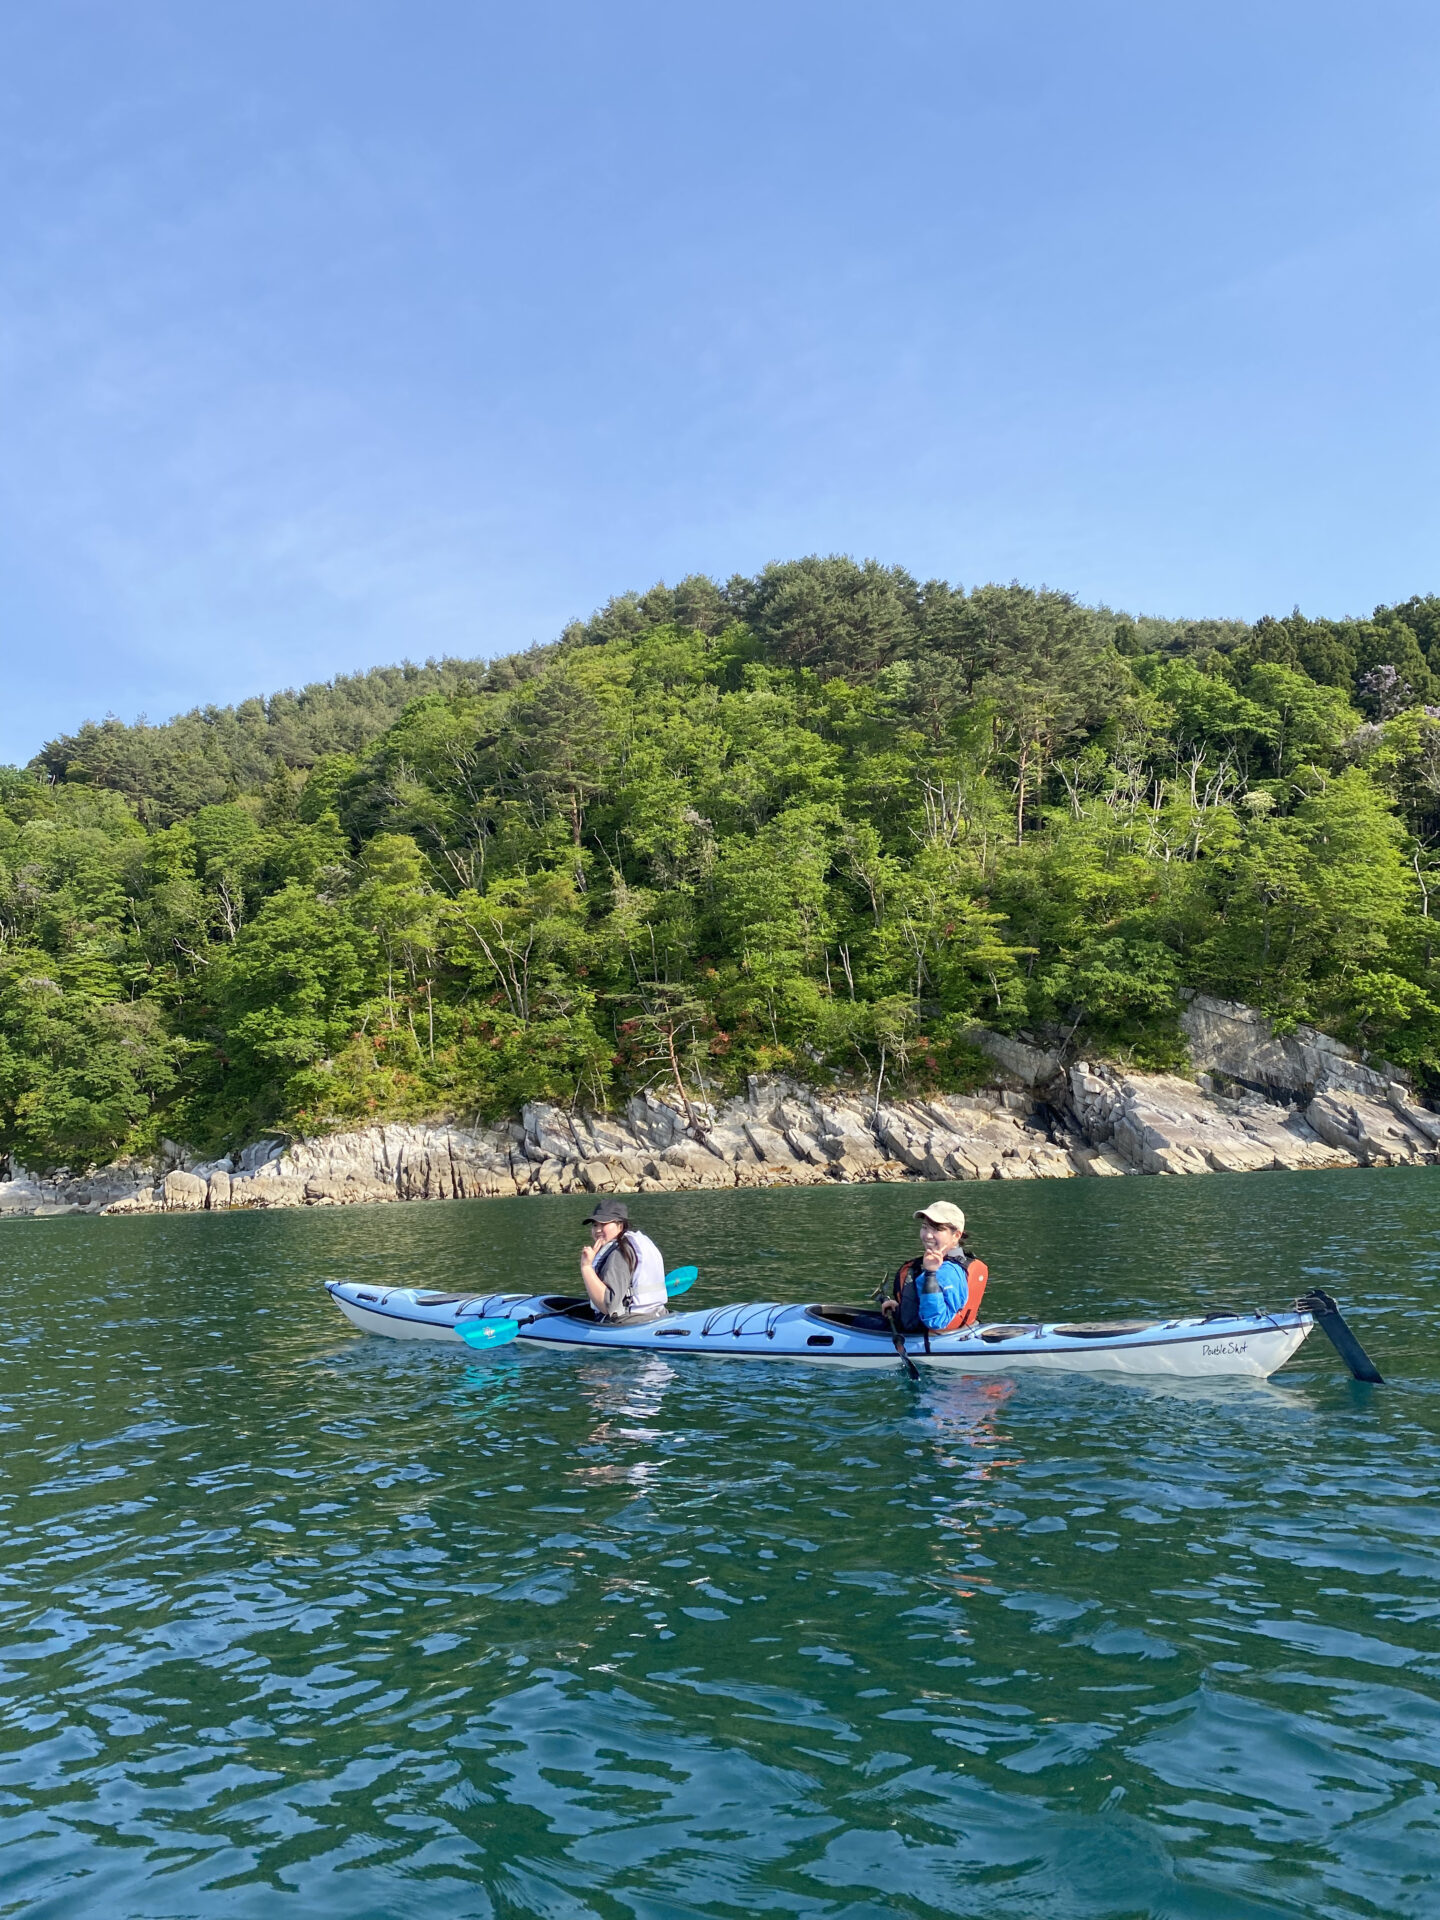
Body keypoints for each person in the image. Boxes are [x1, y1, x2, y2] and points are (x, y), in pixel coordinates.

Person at [880, 1201, 984, 1337]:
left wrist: (930, 1274)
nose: (928, 1235)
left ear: (956, 1235)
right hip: (953, 1332)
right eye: (925, 1227)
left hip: (923, 1340)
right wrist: (900, 1308)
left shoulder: (944, 1272)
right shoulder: (958, 1262)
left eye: (937, 1229)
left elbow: (936, 1321)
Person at [579, 1199, 668, 1321]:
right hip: (657, 1314)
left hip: (629, 1322)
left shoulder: (619, 1253)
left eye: (604, 1224)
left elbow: (607, 1305)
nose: (598, 1230)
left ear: (620, 1226)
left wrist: (586, 1267)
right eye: (595, 1225)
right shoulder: (636, 1242)